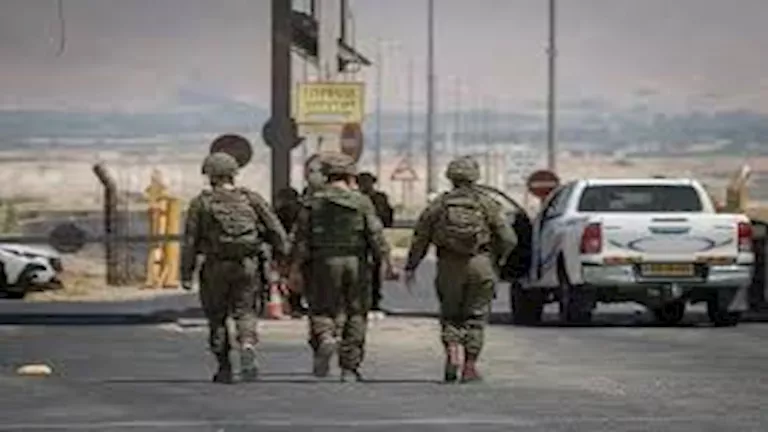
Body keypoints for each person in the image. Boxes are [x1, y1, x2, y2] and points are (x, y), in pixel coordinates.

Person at [403, 156, 517, 383]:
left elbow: (420, 238)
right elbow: (509, 238)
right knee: (476, 316)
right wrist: (498, 259)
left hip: (449, 265)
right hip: (481, 263)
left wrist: (411, 266)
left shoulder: (439, 205)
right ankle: (469, 366)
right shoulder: (487, 204)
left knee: (450, 313)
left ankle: (453, 350)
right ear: (475, 177)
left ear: (450, 177)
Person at [181, 151, 289, 384]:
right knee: (245, 311)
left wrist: (186, 273)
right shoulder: (251, 199)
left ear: (210, 175)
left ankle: (224, 367)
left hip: (215, 266)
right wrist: (284, 260)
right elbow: (276, 231)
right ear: (233, 174)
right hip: (247, 264)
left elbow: (190, 241)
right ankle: (247, 343)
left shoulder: (201, 203)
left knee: (217, 317)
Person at [290, 153, 396, 382]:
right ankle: (349, 368)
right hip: (356, 263)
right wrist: (387, 262)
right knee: (356, 312)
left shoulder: (313, 202)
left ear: (326, 175)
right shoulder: (362, 202)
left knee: (321, 308)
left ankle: (325, 337)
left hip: (322, 263)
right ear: (350, 176)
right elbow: (375, 234)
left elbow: (300, 239)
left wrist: (295, 268)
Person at [357, 172, 394, 315]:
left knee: (375, 271)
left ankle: (374, 302)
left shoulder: (379, 198)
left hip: (373, 239)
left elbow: (387, 218)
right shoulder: (356, 199)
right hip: (359, 240)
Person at [274, 187, 305, 317]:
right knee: (297, 277)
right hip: (297, 247)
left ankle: (292, 305)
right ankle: (295, 305)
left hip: (284, 247)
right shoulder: (301, 210)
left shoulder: (279, 212)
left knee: (286, 277)